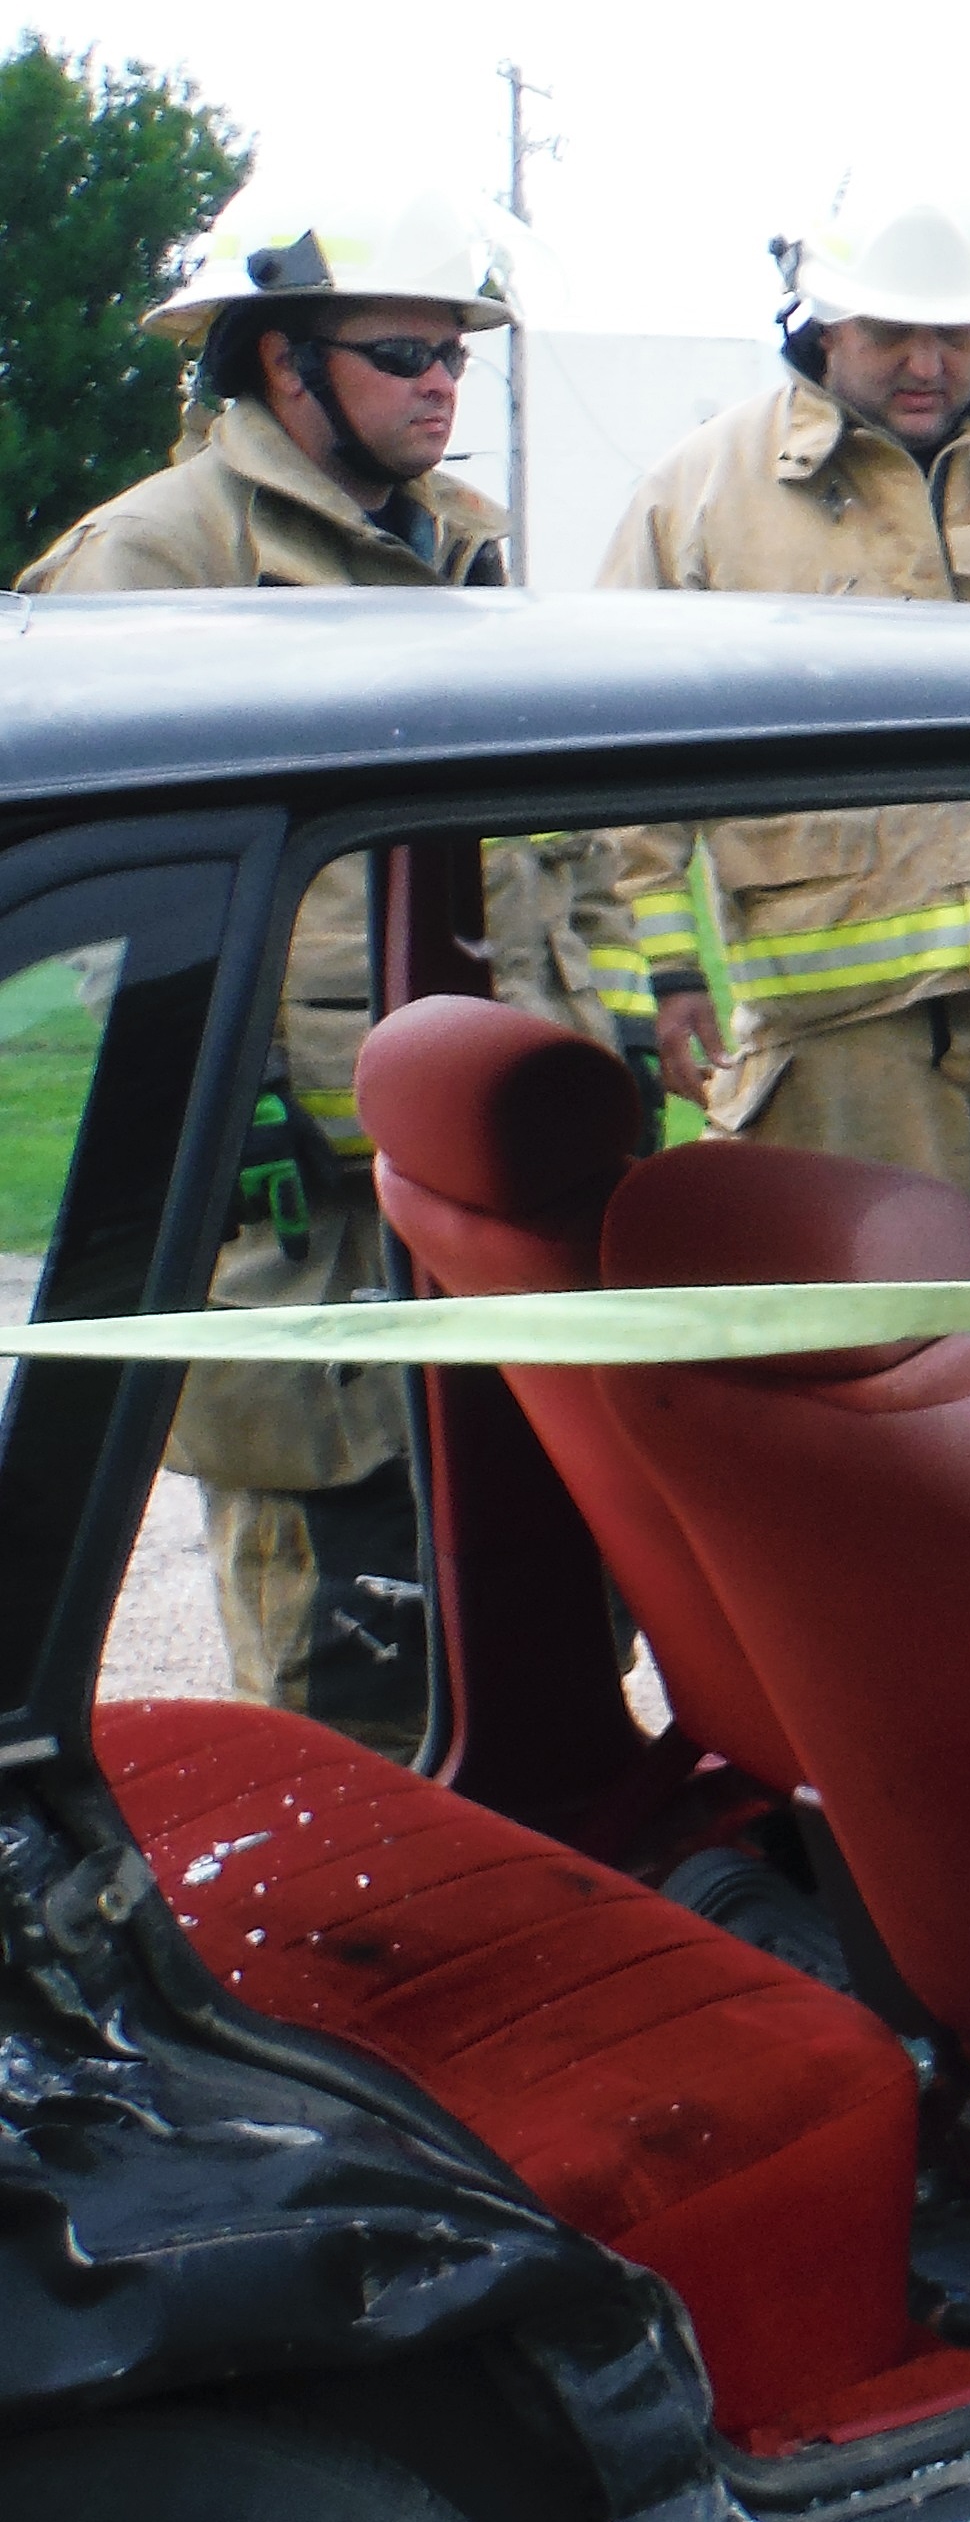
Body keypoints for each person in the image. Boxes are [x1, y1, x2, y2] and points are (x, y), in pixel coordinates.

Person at [13, 185, 532, 1739]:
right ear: (278, 364)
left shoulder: (469, 560)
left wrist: (603, 1034)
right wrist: (208, 1119)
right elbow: (112, 883)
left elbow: (551, 853)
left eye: (456, 356)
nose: (442, 384)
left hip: (483, 1173)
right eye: (400, 351)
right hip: (289, 1184)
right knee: (335, 1602)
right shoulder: (153, 561)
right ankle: (332, 1940)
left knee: (514, 1582)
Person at [596, 173, 970, 1283]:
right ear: (823, 322)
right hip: (838, 1042)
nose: (927, 363)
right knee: (877, 1380)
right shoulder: (697, 497)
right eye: (890, 332)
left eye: (955, 333)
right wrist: (668, 981)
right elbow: (612, 769)